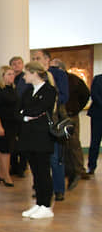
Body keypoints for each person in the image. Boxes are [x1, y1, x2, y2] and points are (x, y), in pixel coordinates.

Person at [16, 62, 58, 219]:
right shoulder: (28, 91)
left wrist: (26, 114)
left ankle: (46, 205)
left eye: (26, 73)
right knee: (35, 172)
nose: (24, 77)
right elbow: (19, 111)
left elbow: (39, 109)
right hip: (28, 136)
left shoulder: (49, 90)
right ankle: (39, 203)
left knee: (43, 172)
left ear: (34, 73)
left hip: (41, 136)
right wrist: (26, 116)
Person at [33, 50, 69, 200]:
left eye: (38, 58)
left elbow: (64, 96)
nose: (35, 60)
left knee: (55, 158)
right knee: (39, 159)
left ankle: (59, 189)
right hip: (36, 123)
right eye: (33, 58)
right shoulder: (32, 76)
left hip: (53, 121)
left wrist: (45, 100)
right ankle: (42, 188)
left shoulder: (57, 75)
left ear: (47, 60)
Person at [53, 59, 90, 185]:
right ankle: (66, 170)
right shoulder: (51, 81)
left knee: (74, 143)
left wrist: (75, 109)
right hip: (57, 117)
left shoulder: (74, 80)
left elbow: (85, 94)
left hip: (71, 115)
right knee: (61, 145)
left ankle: (79, 169)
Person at [0, 65, 19, 186]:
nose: (12, 76)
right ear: (2, 76)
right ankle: (6, 176)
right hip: (1, 123)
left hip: (12, 124)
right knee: (5, 150)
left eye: (13, 74)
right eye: (9, 74)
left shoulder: (12, 88)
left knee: (7, 150)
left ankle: (2, 173)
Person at [9, 55, 31, 177]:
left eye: (19, 63)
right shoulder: (8, 78)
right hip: (11, 116)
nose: (16, 66)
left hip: (23, 114)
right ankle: (13, 166)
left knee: (23, 142)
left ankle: (22, 167)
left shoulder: (26, 78)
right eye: (14, 63)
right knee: (12, 143)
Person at [88, 72, 102, 175]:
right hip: (98, 114)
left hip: (97, 113)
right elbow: (94, 94)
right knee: (95, 142)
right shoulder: (98, 79)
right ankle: (91, 166)